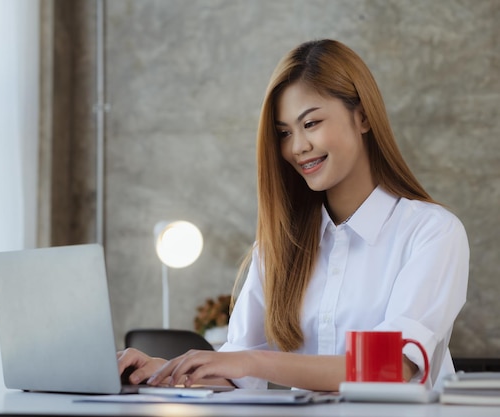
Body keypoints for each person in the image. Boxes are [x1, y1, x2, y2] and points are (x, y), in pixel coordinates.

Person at [117, 39, 469, 392]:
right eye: (284, 133)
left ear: (362, 116)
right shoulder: (279, 246)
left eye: (311, 123)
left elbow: (392, 367)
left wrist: (251, 362)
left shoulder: (431, 233)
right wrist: (165, 370)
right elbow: (239, 372)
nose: (297, 147)